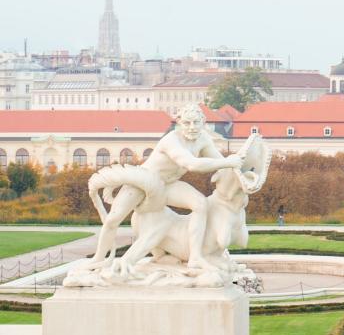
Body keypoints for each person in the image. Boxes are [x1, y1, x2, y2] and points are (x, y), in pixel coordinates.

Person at [88, 103, 243, 270]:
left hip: (168, 184)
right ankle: (97, 259)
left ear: (203, 122)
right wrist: (229, 161)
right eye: (187, 123)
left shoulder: (203, 139)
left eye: (196, 122)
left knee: (200, 204)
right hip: (142, 182)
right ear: (179, 123)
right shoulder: (171, 140)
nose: (192, 127)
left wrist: (243, 170)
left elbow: (220, 163)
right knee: (112, 220)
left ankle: (196, 257)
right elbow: (191, 164)